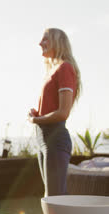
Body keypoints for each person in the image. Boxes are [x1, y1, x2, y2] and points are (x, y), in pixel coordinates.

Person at [28, 28, 81, 196]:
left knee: (55, 199)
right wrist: (38, 115)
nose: (40, 43)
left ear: (57, 42)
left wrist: (36, 120)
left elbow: (63, 113)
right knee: (50, 198)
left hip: (55, 138)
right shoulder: (52, 71)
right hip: (44, 138)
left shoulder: (65, 68)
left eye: (45, 39)